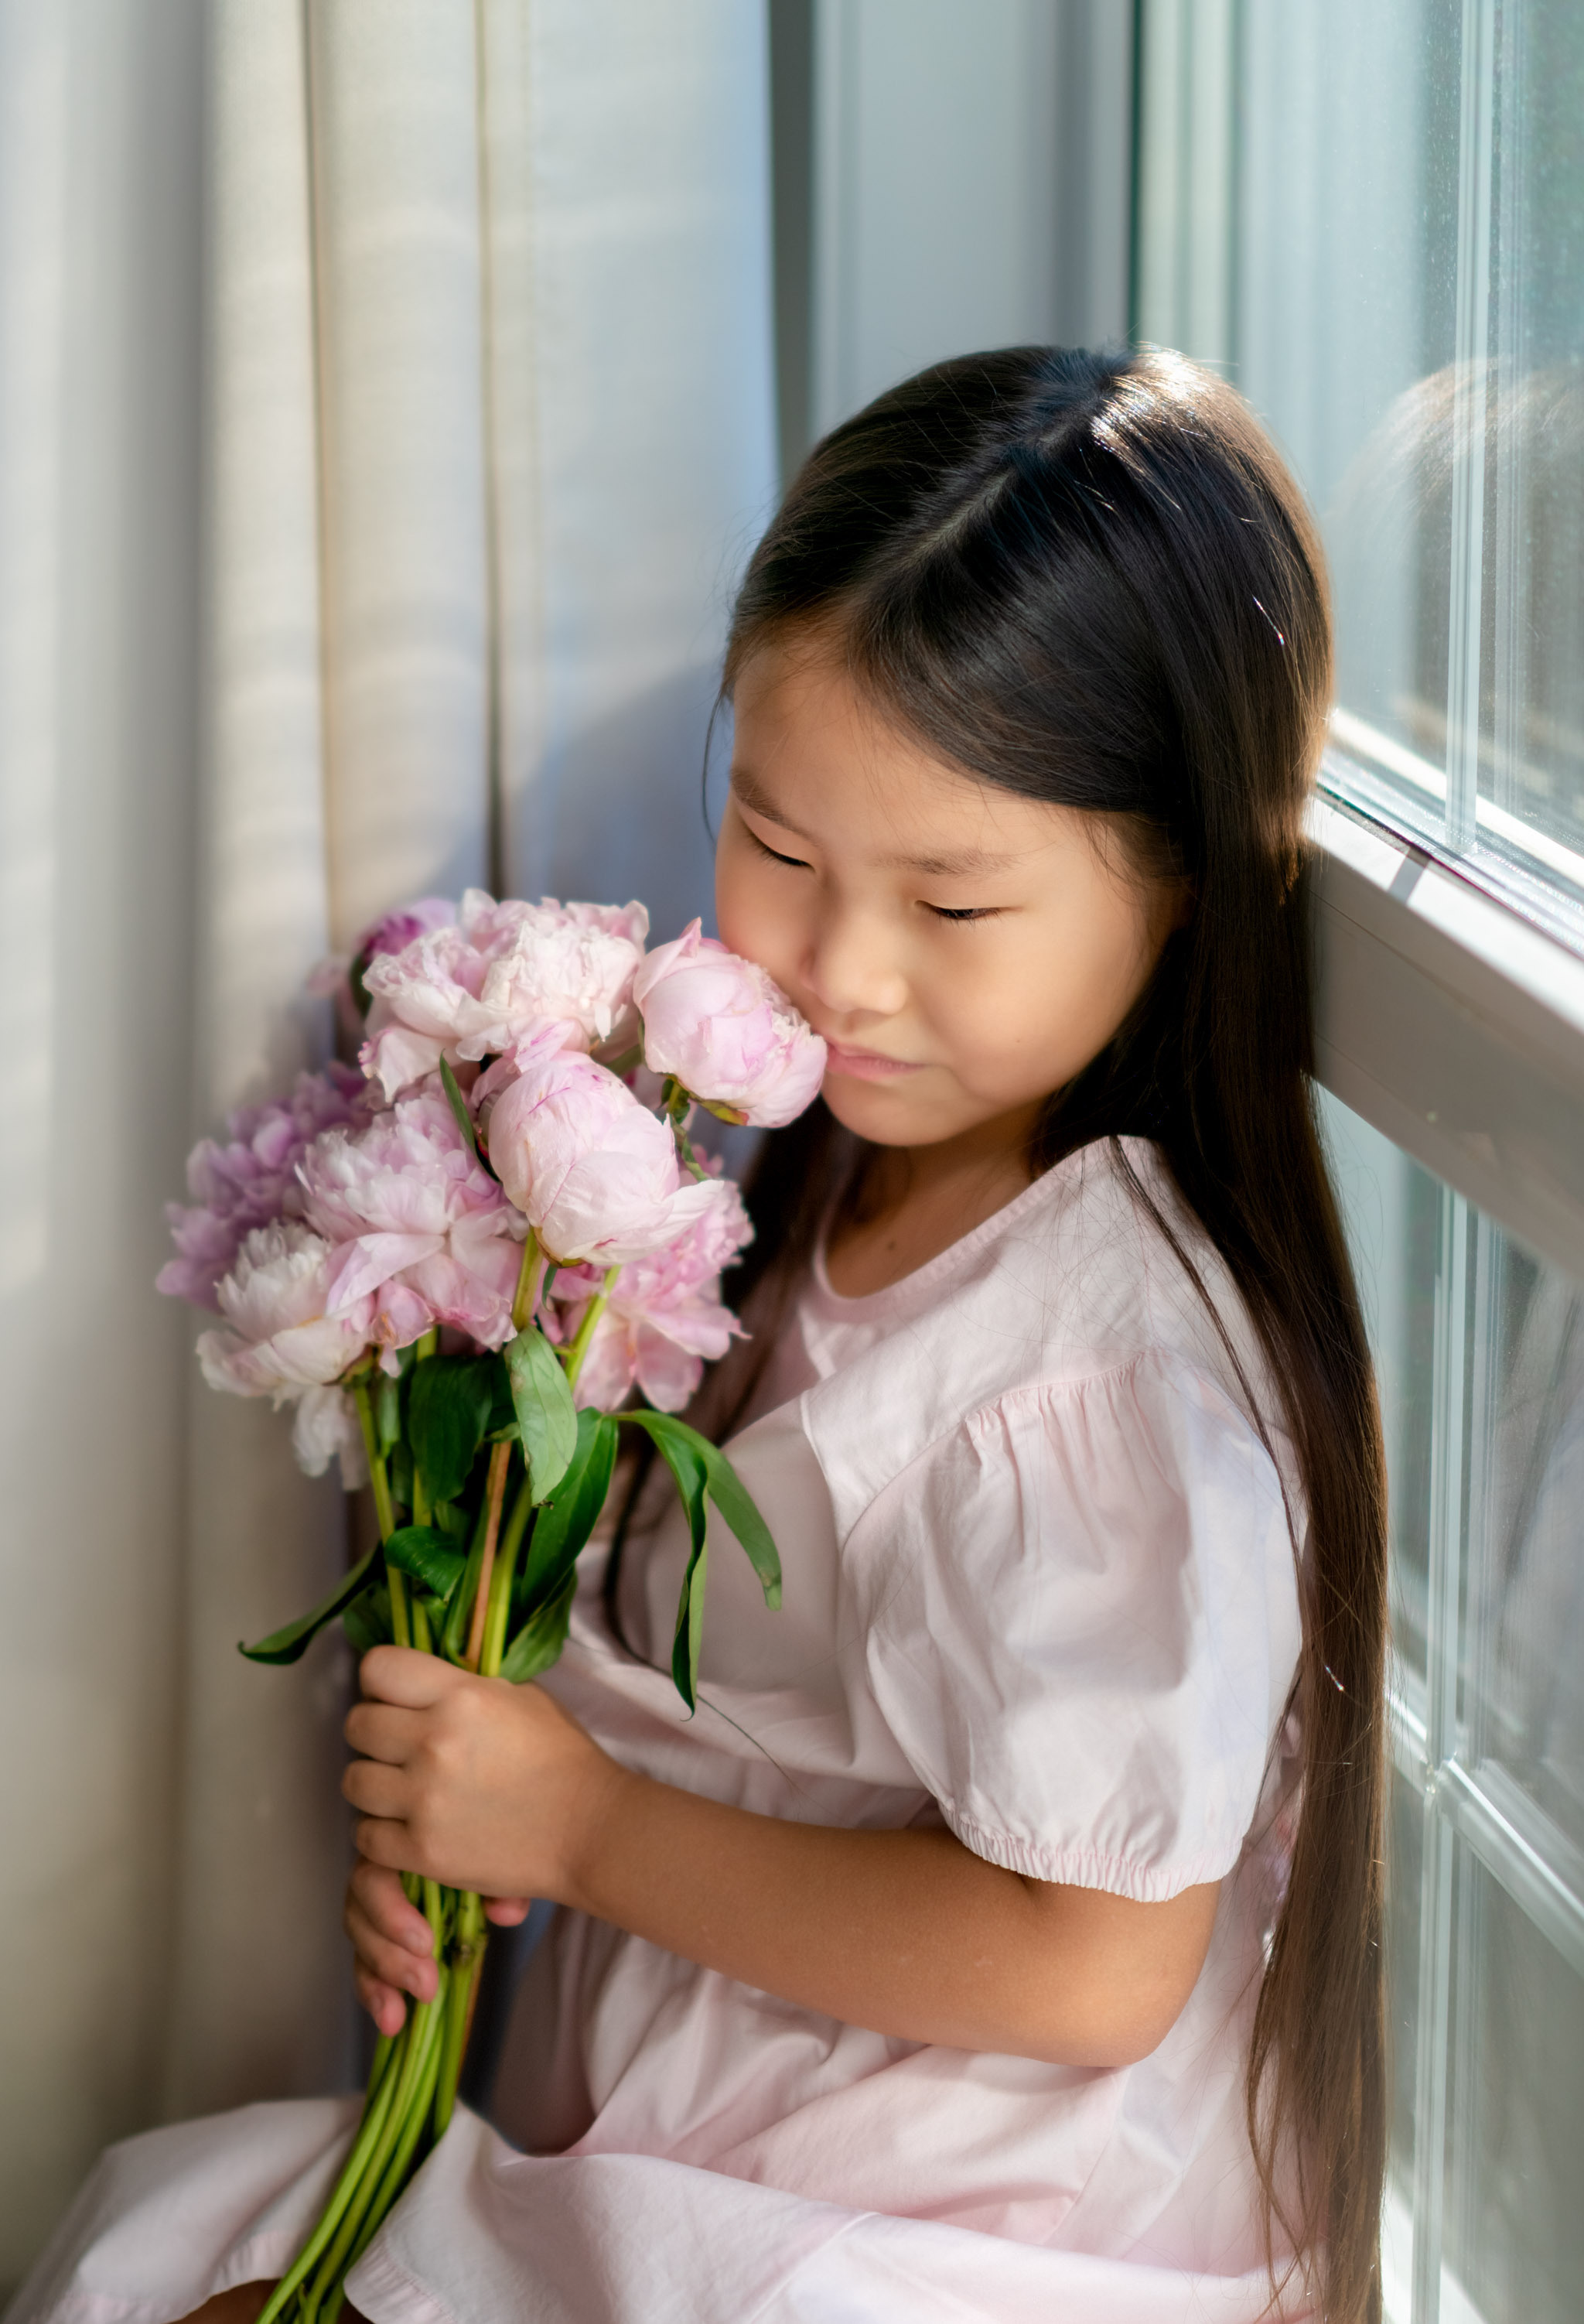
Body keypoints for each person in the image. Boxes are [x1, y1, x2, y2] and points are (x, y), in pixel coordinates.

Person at [11, 347, 1387, 2324]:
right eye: (783, 847)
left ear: (1177, 881)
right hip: (728, 2127)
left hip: (952, 2226)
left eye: (954, 901)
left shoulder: (1105, 1372)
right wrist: (479, 1810)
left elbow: (1091, 1962)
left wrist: (579, 1823)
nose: (841, 969)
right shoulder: (806, 1172)